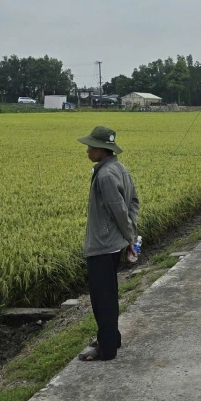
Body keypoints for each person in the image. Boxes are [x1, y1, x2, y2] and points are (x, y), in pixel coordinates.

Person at [76, 126, 140, 362]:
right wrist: (127, 236)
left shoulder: (105, 175)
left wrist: (130, 238)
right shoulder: (119, 168)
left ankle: (107, 349)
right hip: (112, 243)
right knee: (109, 294)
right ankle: (111, 337)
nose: (87, 150)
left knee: (102, 298)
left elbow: (120, 210)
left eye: (91, 146)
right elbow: (133, 202)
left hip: (103, 244)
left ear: (103, 150)